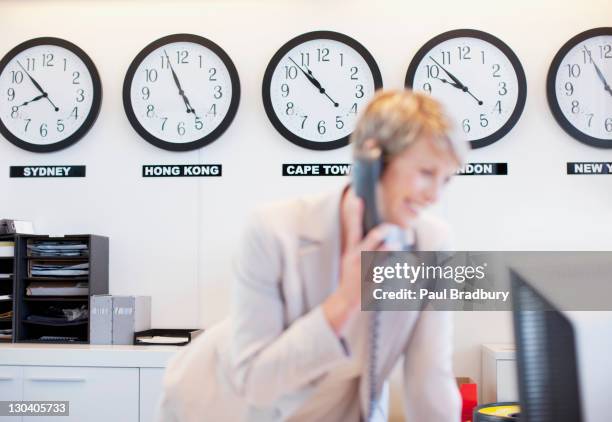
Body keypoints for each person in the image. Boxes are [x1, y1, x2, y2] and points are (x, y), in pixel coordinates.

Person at [158, 90, 468, 422]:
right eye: (425, 173)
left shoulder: (431, 242)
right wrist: (346, 300)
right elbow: (256, 383)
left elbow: (430, 379)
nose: (434, 195)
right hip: (228, 407)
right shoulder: (273, 230)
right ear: (372, 162)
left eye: (445, 180)